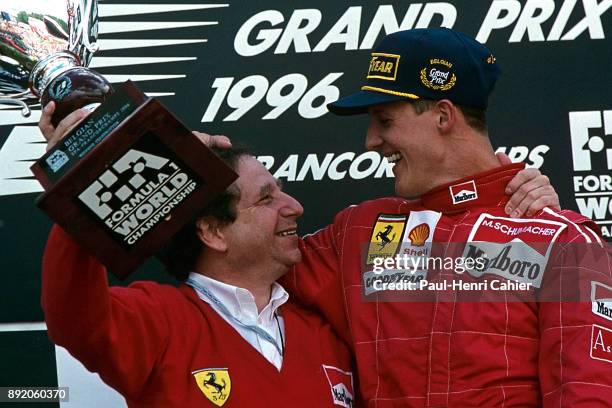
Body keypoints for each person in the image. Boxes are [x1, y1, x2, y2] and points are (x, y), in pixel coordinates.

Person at [279, 28, 612, 407]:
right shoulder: (359, 230)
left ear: (442, 115)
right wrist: (202, 163)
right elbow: (232, 259)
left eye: (384, 120)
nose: (370, 140)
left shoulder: (561, 241)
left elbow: (589, 395)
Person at [41, 145, 356, 407]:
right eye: (265, 198)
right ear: (213, 231)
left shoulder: (325, 329)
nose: (295, 207)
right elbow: (76, 318)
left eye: (281, 192)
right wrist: (85, 175)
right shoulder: (160, 319)